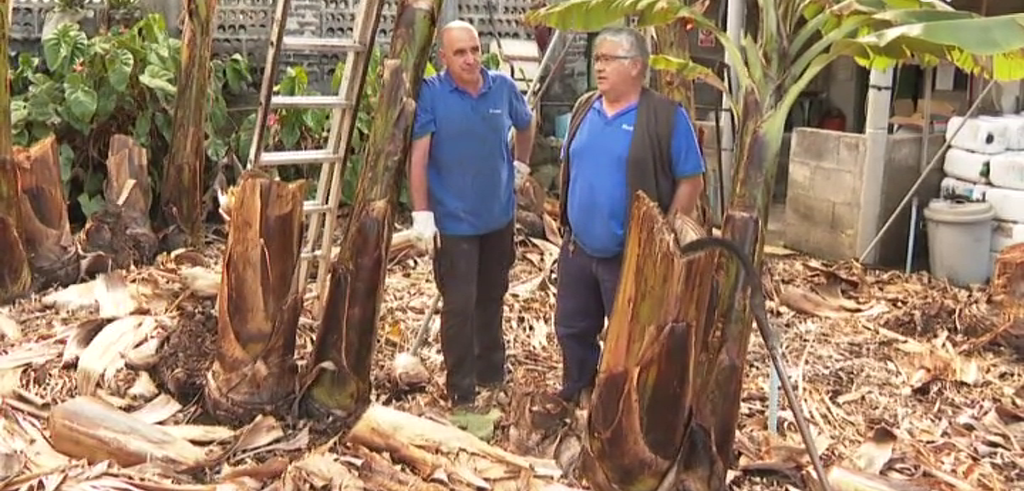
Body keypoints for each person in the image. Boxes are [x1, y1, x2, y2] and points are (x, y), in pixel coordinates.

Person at [554, 26, 706, 404]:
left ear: (636, 66)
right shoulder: (584, 108)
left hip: (630, 255)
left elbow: (691, 180)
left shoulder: (665, 117)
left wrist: (665, 235)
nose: (599, 67)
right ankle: (578, 393)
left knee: (630, 337)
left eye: (609, 59)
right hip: (578, 250)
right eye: (597, 59)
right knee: (572, 328)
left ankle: (621, 407)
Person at [407, 20, 536, 408]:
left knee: (492, 296)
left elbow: (526, 125)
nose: (470, 59)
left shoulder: (502, 87)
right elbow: (419, 157)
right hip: (455, 221)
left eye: (475, 50)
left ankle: (491, 373)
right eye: (460, 52)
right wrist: (422, 215)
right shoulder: (432, 94)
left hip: (498, 215)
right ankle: (461, 390)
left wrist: (521, 167)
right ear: (443, 57)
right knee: (459, 305)